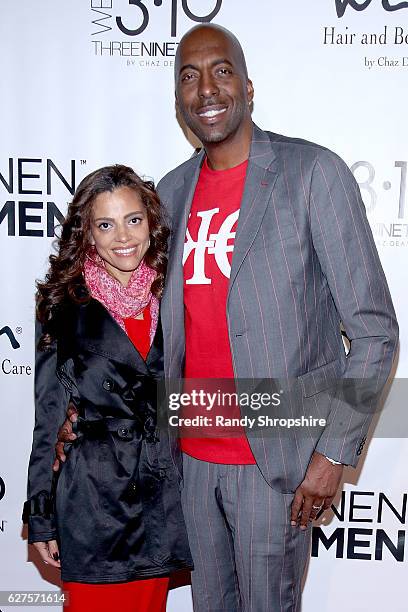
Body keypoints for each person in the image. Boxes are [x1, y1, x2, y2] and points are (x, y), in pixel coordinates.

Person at [56, 25, 399, 611]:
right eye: (189, 76)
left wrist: (334, 455)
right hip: (190, 465)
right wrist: (83, 404)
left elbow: (374, 332)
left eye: (221, 70)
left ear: (248, 86)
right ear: (178, 100)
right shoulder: (170, 191)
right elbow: (146, 328)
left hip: (275, 465)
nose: (206, 88)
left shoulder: (312, 174)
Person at [23, 165, 193, 612]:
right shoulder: (62, 303)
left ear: (152, 224)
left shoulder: (174, 294)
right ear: (87, 234)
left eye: (133, 219)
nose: (123, 236)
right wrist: (41, 516)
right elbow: (48, 417)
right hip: (93, 503)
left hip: (157, 493)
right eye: (106, 224)